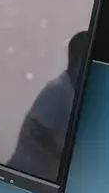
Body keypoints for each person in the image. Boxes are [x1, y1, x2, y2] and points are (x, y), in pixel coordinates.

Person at [8, 32, 89, 180]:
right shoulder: (58, 89)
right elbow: (34, 128)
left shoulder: (73, 91)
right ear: (81, 60)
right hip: (22, 174)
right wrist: (62, 153)